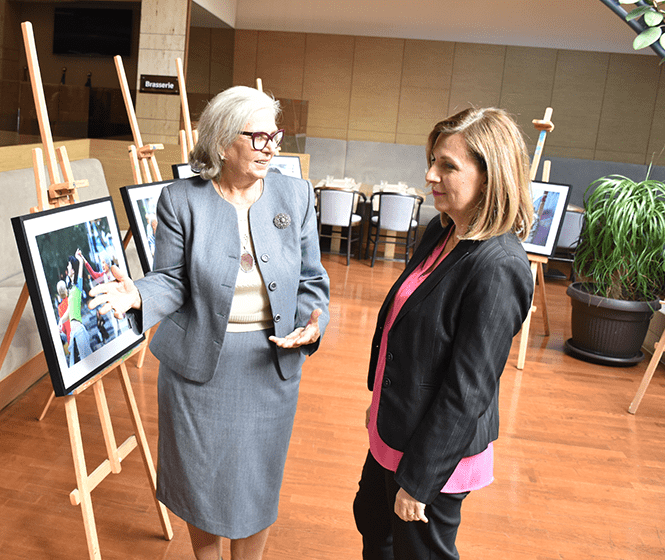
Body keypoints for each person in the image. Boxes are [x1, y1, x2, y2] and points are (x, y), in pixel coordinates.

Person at [87, 85, 330, 560]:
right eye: (260, 138)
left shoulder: (295, 194)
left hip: (269, 363)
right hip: (198, 366)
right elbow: (171, 280)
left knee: (257, 481)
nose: (272, 148)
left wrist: (311, 324)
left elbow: (311, 280)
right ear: (222, 142)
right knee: (202, 478)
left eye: (275, 136)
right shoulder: (181, 201)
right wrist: (138, 292)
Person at [352, 107, 535, 560]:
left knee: (420, 553)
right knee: (372, 520)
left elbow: (468, 390)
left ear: (490, 178)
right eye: (432, 160)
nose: (430, 174)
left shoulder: (499, 266)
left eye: (448, 165)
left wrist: (418, 483)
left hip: (435, 453)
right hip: (398, 425)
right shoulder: (441, 229)